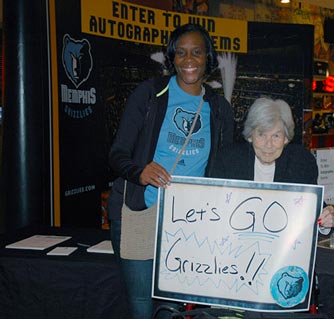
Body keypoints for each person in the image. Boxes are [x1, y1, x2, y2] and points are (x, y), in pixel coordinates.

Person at [107, 23, 234, 319]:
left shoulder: (219, 109)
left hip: (189, 224)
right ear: (172, 58)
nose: (189, 60)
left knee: (172, 309)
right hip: (141, 212)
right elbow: (117, 153)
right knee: (141, 307)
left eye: (197, 52)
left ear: (208, 58)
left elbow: (226, 167)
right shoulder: (150, 94)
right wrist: (139, 171)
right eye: (181, 53)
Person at [209, 97, 334, 231]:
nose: (268, 144)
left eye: (276, 136)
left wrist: (325, 221)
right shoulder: (228, 160)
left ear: (286, 138)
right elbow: (213, 208)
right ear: (250, 136)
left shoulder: (302, 163)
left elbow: (314, 209)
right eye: (261, 135)